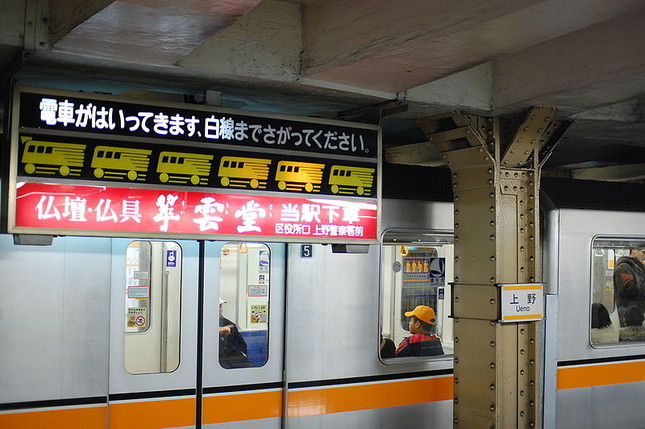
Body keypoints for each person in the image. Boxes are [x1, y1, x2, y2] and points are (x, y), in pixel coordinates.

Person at [614, 248, 645, 327]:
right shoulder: (624, 268)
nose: (644, 256)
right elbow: (629, 290)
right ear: (634, 250)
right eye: (643, 252)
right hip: (630, 318)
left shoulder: (639, 268)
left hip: (639, 316)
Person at [219, 298, 252, 368]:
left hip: (234, 361)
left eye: (220, 306)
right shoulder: (201, 327)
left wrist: (241, 355)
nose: (220, 309)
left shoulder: (229, 324)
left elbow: (241, 345)